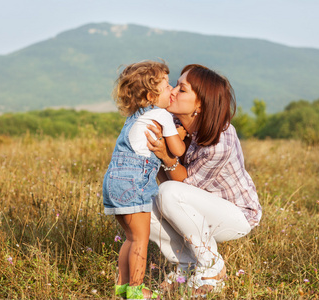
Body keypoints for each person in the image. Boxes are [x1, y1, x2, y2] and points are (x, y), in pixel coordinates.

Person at [145, 64, 262, 296]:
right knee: (141, 200)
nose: (173, 91)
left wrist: (166, 155)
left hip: (236, 215)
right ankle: (186, 267)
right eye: (176, 84)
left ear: (200, 104)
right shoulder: (172, 121)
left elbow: (183, 186)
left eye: (183, 89)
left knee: (168, 192)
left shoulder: (220, 141)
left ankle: (211, 268)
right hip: (195, 206)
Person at [103, 60, 187, 299]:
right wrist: (182, 133)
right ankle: (137, 291)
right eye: (167, 85)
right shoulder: (161, 114)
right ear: (152, 94)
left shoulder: (135, 116)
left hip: (114, 182)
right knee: (140, 240)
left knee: (130, 238)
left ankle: (122, 286)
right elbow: (178, 150)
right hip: (133, 184)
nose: (172, 89)